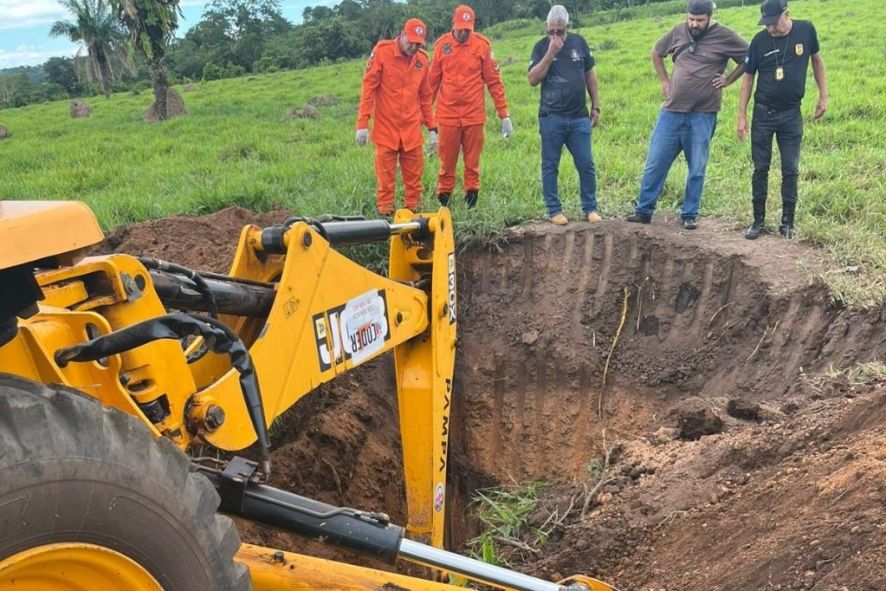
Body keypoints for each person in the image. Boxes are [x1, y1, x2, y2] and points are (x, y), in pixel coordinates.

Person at [627, 0, 748, 229]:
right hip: (671, 112)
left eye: (699, 20)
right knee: (655, 163)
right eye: (691, 19)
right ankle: (644, 211)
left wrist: (728, 79)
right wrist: (665, 81)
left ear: (709, 17)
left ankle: (690, 214)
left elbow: (749, 57)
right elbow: (657, 52)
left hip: (703, 114)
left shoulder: (724, 35)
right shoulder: (678, 31)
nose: (694, 24)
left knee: (696, 168)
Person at [738, 0, 827, 239]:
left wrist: (823, 96)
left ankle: (788, 222)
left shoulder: (806, 30)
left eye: (773, 23)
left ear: (786, 14)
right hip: (763, 114)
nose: (769, 28)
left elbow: (817, 61)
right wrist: (741, 115)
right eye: (765, 23)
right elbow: (748, 78)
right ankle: (758, 221)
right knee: (760, 168)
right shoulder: (759, 41)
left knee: (790, 168)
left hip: (791, 114)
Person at [430, 4, 512, 210]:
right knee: (446, 161)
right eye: (460, 29)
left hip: (473, 115)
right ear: (453, 24)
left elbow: (494, 82)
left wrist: (504, 115)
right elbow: (431, 84)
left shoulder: (482, 46)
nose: (463, 34)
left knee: (472, 161)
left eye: (467, 30)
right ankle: (444, 200)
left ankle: (471, 198)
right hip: (447, 115)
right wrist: (424, 117)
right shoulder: (441, 46)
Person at [528, 5, 601, 226]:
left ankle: (590, 208)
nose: (555, 35)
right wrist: (551, 53)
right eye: (551, 31)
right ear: (547, 27)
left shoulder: (579, 43)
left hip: (579, 116)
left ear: (567, 26)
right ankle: (554, 210)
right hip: (551, 117)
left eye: (559, 31)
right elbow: (532, 79)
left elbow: (590, 76)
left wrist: (595, 106)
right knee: (550, 165)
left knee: (586, 163)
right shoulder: (541, 47)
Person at [356, 18, 437, 216]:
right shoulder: (382, 52)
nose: (414, 47)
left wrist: (432, 128)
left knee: (414, 181)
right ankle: (385, 216)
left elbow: (425, 97)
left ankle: (413, 215)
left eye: (419, 44)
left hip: (411, 130)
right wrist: (362, 124)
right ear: (402, 35)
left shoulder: (422, 60)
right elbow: (368, 89)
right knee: (385, 180)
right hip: (386, 129)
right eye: (412, 42)